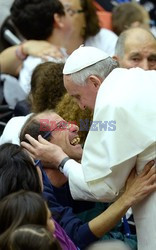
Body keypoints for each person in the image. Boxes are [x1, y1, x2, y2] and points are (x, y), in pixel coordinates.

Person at [21, 46, 156, 250]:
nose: (81, 108)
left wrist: (63, 160)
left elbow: (101, 186)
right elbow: (76, 235)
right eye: (61, 125)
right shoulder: (142, 78)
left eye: (77, 96)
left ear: (94, 82)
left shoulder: (113, 103)